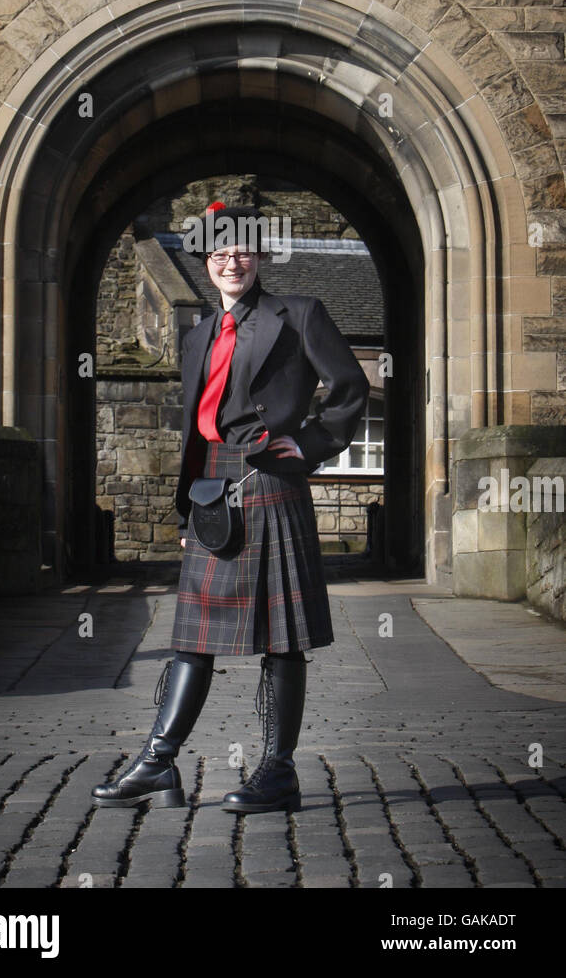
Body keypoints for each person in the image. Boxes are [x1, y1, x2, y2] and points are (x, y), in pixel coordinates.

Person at [92, 201, 369, 813]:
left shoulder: (299, 315)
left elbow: (350, 387)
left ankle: (278, 772)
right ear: (206, 260)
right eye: (219, 252)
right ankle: (159, 764)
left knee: (282, 638)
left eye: (242, 250)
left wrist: (313, 443)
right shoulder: (196, 337)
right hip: (213, 490)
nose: (231, 261)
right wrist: (190, 516)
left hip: (272, 482)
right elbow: (193, 433)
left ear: (260, 254)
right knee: (192, 637)